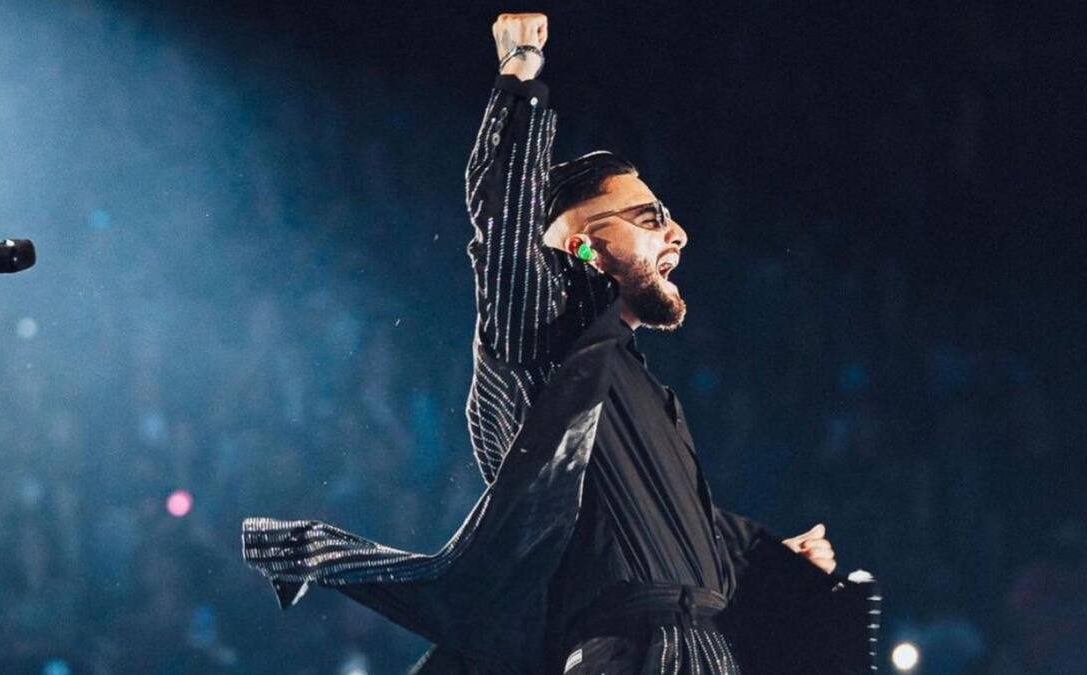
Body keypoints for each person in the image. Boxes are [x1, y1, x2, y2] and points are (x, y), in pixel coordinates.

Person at [243, 13, 858, 675]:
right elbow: (506, 220)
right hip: (628, 654)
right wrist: (520, 74)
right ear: (578, 242)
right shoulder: (540, 338)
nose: (677, 233)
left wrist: (773, 560)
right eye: (650, 217)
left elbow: (692, 533)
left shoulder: (641, 389)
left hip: (702, 652)